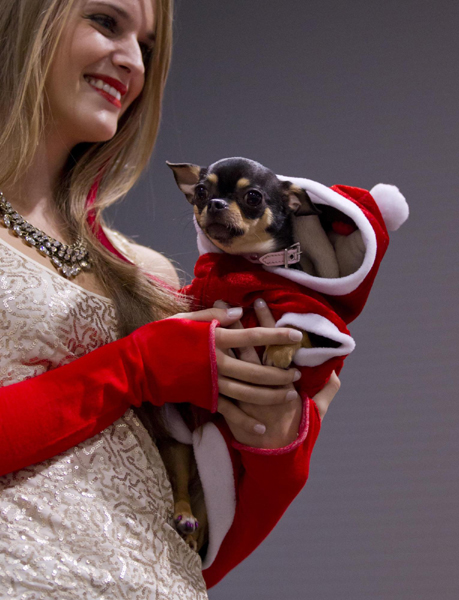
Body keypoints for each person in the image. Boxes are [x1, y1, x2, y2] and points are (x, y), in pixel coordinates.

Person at [0, 0, 340, 597]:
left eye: (149, 47)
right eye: (105, 21)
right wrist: (136, 366)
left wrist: (278, 441)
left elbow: (202, 545)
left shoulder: (148, 276)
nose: (132, 60)